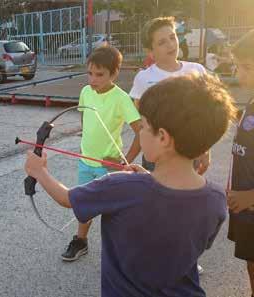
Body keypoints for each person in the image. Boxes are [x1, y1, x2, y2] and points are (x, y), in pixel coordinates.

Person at [25, 73, 237, 296]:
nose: (139, 133)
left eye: (144, 127)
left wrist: (39, 171)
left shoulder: (120, 186)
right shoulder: (216, 198)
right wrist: (146, 177)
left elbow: (67, 198)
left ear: (163, 137)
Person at [61, 46, 141, 261]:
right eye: (90, 73)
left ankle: (120, 250)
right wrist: (83, 144)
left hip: (109, 167)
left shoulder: (121, 98)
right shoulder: (86, 92)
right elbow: (84, 118)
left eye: (100, 74)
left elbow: (141, 133)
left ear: (114, 73)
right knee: (83, 205)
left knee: (114, 212)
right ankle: (81, 241)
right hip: (85, 162)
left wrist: (126, 162)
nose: (93, 80)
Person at [129, 16, 209, 175]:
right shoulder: (143, 78)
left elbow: (205, 115)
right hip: (157, 155)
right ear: (150, 52)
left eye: (172, 37)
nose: (171, 44)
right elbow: (141, 122)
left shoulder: (197, 71)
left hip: (188, 153)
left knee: (183, 196)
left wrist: (205, 150)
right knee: (157, 196)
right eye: (162, 42)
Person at [228, 29, 254, 297]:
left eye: (247, 67)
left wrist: (250, 196)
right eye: (237, 67)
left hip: (251, 201)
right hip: (245, 208)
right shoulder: (251, 102)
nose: (239, 75)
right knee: (251, 262)